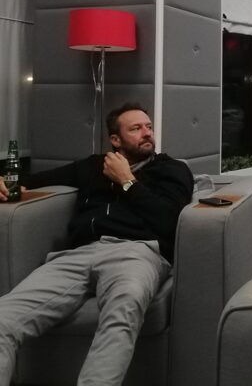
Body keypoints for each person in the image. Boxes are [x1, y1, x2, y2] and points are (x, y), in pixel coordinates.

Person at [0, 102, 193, 386]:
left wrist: (127, 182)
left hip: (137, 252)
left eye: (149, 127)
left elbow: (170, 219)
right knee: (5, 317)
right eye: (136, 128)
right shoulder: (92, 166)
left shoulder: (172, 169)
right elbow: (33, 180)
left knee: (124, 307)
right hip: (77, 254)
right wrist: (4, 181)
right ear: (115, 139)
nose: (147, 133)